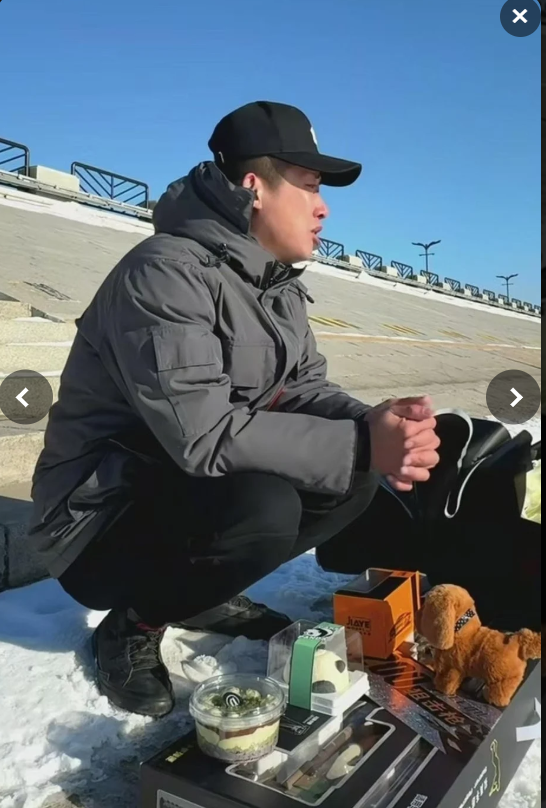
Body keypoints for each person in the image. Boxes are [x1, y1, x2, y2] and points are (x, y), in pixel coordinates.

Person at [28, 101, 441, 719]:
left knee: (352, 478)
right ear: (254, 188)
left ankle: (197, 593)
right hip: (92, 521)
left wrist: (376, 425)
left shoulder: (276, 287)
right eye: (309, 186)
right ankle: (135, 623)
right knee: (265, 506)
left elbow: (301, 389)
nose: (323, 208)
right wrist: (361, 443)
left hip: (172, 491)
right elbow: (204, 437)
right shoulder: (164, 273)